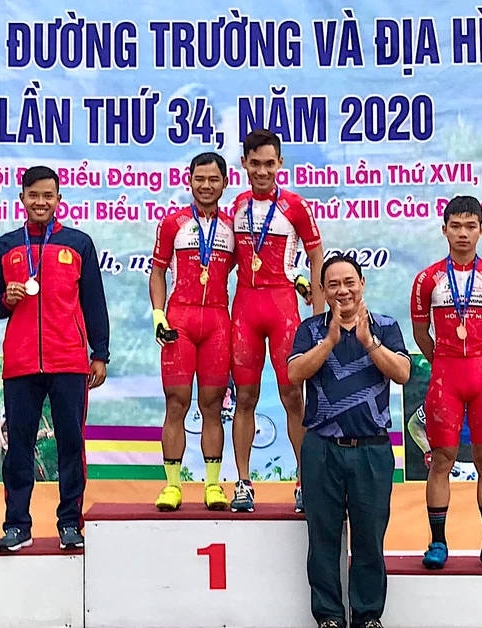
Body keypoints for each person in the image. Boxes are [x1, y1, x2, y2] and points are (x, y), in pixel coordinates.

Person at [0, 166, 109, 552]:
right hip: (21, 362)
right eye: (33, 195)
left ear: (59, 199)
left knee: (70, 444)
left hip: (69, 360)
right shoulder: (5, 246)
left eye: (48, 195)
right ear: (21, 198)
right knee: (19, 446)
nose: (40, 202)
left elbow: (93, 301)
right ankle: (17, 525)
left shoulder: (78, 243)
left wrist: (100, 353)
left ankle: (70, 523)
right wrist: (5, 299)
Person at [288, 255, 410, 628]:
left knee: (369, 537)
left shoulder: (385, 326)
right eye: (333, 285)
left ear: (362, 284)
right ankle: (328, 616)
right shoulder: (311, 329)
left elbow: (403, 373)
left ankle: (368, 616)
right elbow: (294, 373)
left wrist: (368, 343)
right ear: (322, 291)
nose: (343, 291)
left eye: (349, 282)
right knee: (323, 537)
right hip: (322, 448)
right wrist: (329, 342)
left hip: (371, 449)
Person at [409, 195, 482, 570]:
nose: (463, 234)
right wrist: (443, 359)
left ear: (481, 230)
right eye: (455, 226)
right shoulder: (427, 279)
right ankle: (438, 542)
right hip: (446, 375)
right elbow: (420, 332)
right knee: (441, 460)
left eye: (470, 226)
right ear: (444, 230)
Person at [230, 129, 325, 513]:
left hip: (283, 306)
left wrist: (317, 314)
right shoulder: (237, 204)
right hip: (245, 307)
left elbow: (316, 257)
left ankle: (304, 481)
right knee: (245, 398)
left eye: (269, 164)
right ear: (244, 163)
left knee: (292, 396)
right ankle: (242, 482)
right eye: (255, 163)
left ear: (280, 163)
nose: (262, 171)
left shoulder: (296, 206)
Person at [150, 152, 236, 511]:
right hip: (180, 320)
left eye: (213, 179)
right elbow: (157, 272)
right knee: (176, 402)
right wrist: (159, 315)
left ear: (225, 183)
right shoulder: (173, 223)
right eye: (199, 179)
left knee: (213, 405)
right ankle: (172, 486)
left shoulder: (233, 226)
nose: (206, 185)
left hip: (217, 321)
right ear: (189, 181)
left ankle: (213, 485)